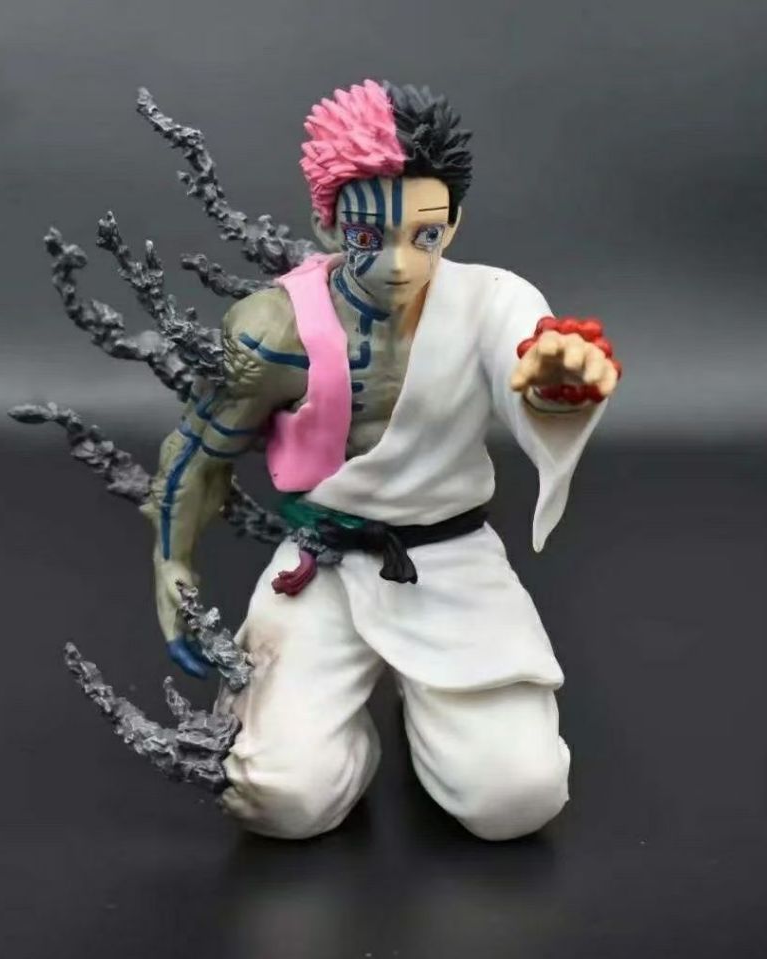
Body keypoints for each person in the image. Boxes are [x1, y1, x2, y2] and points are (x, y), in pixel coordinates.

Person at [140, 79, 622, 841]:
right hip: (321, 566)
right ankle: (342, 739)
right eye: (370, 236)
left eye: (424, 235)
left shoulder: (493, 301)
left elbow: (528, 362)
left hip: (451, 562)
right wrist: (173, 563)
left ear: (453, 223)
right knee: (280, 800)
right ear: (328, 223)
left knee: (516, 798)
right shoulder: (277, 328)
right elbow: (199, 450)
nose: (398, 264)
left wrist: (559, 385)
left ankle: (437, 726)